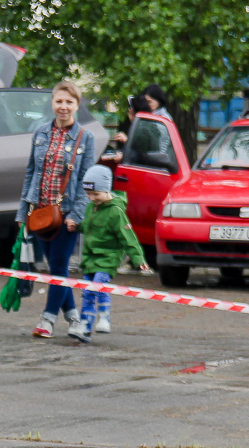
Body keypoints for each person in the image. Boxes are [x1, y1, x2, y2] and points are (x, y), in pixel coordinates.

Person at [16, 81, 97, 338]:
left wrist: (76, 216)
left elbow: (87, 180)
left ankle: (47, 320)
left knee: (60, 267)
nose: (63, 107)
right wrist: (22, 213)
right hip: (40, 213)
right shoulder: (40, 133)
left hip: (67, 215)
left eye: (69, 102)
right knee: (55, 269)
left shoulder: (86, 138)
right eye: (59, 101)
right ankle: (73, 318)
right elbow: (31, 172)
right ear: (52, 103)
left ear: (77, 105)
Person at [69, 165, 149, 342]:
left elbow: (127, 236)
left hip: (108, 258)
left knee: (98, 285)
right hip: (90, 258)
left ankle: (104, 316)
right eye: (89, 194)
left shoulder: (116, 211)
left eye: (96, 194)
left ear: (106, 189)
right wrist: (77, 227)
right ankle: (85, 325)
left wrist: (138, 258)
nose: (92, 198)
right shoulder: (91, 207)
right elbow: (88, 225)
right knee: (88, 290)